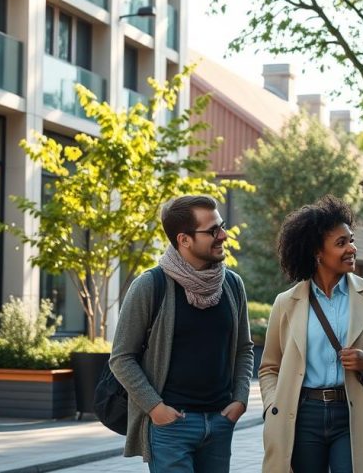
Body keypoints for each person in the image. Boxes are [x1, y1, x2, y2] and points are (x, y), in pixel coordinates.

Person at [259, 195, 363, 472]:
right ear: (317, 252)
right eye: (341, 243)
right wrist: (273, 406)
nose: (352, 248)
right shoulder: (286, 303)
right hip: (302, 415)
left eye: (351, 239)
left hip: (355, 415)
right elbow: (270, 367)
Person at [109, 195, 254, 473]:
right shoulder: (150, 285)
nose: (222, 235)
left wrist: (240, 399)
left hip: (220, 421)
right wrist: (155, 409)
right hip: (171, 426)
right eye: (212, 230)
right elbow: (121, 357)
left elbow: (244, 348)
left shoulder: (233, 285)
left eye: (221, 226)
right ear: (184, 239)